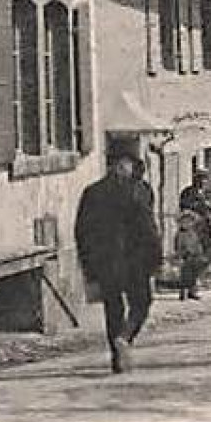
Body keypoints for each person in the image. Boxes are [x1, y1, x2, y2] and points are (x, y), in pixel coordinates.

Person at [76, 146, 162, 374]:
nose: (127, 168)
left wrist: (88, 264)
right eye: (126, 163)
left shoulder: (92, 192)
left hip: (106, 261)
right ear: (119, 165)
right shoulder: (139, 191)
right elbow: (148, 227)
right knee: (141, 303)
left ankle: (118, 357)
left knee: (113, 307)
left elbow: (82, 231)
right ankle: (125, 337)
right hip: (135, 260)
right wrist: (156, 258)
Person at [174, 170, 211, 300]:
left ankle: (192, 286)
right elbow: (185, 210)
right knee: (189, 259)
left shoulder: (206, 194)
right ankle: (185, 289)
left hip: (204, 232)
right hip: (191, 232)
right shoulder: (188, 193)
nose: (203, 182)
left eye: (204, 180)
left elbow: (210, 210)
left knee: (205, 258)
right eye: (200, 179)